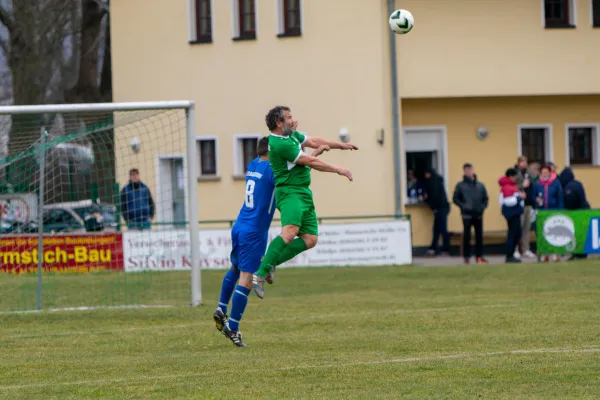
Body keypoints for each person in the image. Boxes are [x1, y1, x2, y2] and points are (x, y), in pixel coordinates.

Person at [214, 137, 329, 347]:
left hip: (239, 224)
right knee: (247, 280)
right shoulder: (271, 171)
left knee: (235, 268)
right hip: (254, 231)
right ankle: (234, 327)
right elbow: (293, 178)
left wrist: (312, 154)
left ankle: (222, 307)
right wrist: (314, 156)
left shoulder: (253, 165)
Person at [252, 105, 357, 298]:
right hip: (290, 193)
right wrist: (338, 169)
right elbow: (311, 161)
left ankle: (269, 261)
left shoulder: (289, 135)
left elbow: (313, 141)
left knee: (310, 239)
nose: (293, 120)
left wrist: (340, 145)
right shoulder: (280, 143)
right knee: (290, 231)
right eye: (289, 117)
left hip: (303, 192)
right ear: (279, 122)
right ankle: (259, 274)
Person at [452, 163, 489, 265]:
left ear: (473, 170)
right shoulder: (460, 186)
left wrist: (482, 207)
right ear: (464, 171)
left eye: (470, 170)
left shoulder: (480, 185)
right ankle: (467, 257)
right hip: (466, 215)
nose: (469, 172)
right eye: (466, 170)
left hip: (478, 214)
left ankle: (479, 256)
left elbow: (485, 198)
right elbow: (455, 199)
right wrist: (463, 206)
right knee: (467, 236)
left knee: (479, 236)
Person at [532, 164, 563, 262]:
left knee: (555, 233)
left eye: (547, 172)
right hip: (541, 212)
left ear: (550, 173)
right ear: (540, 173)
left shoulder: (556, 183)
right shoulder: (537, 184)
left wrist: (560, 210)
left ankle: (555, 254)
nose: (545, 173)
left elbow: (560, 198)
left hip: (553, 211)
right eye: (543, 172)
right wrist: (536, 200)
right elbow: (533, 196)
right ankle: (545, 254)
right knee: (543, 233)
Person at [559, 167, 590, 260]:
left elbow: (571, 200)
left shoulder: (569, 187)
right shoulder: (577, 184)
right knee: (583, 233)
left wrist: (566, 209)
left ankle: (577, 253)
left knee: (575, 234)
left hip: (576, 213)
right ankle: (582, 253)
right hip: (584, 210)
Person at [498, 169, 525, 263]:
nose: (516, 178)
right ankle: (509, 255)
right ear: (510, 176)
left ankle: (511, 254)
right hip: (512, 213)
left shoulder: (510, 186)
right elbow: (508, 201)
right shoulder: (507, 187)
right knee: (513, 234)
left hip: (515, 212)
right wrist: (519, 198)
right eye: (514, 176)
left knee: (516, 234)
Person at [423, 168, 450, 256]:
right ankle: (434, 248)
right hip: (442, 208)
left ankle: (444, 249)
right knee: (437, 229)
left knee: (441, 229)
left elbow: (433, 196)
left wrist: (428, 201)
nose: (425, 176)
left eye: (426, 174)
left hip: (440, 208)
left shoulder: (433, 183)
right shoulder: (437, 181)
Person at [513, 156, 536, 260]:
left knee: (527, 228)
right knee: (518, 228)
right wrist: (521, 185)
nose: (524, 164)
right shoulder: (514, 173)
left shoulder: (528, 174)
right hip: (519, 204)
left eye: (525, 162)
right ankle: (516, 249)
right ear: (518, 163)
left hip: (528, 204)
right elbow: (512, 187)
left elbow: (532, 186)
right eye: (522, 162)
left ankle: (526, 249)